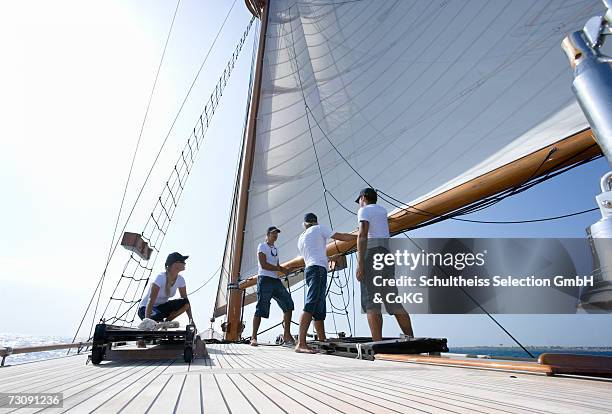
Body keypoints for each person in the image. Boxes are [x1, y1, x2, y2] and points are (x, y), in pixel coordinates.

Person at [355, 188, 414, 342]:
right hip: (386, 255)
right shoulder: (382, 211)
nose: (359, 204)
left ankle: (377, 345)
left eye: (359, 200)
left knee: (371, 303)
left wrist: (360, 264)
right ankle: (411, 340)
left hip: (371, 255)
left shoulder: (364, 211)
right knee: (393, 301)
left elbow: (362, 236)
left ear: (363, 198)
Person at [295, 213, 356, 353]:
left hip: (311, 269)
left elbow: (314, 254)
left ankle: (322, 339)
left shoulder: (301, 238)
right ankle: (301, 343)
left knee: (319, 305)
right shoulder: (319, 229)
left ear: (305, 224)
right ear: (315, 222)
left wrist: (329, 258)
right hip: (318, 271)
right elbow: (342, 237)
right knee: (311, 304)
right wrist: (360, 236)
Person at [137, 252, 195, 347]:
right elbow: (150, 301)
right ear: (175, 264)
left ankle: (163, 325)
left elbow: (186, 300)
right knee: (158, 317)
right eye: (182, 261)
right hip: (145, 309)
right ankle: (142, 336)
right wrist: (147, 320)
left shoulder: (181, 280)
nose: (185, 263)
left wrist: (191, 320)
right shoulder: (160, 278)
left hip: (160, 308)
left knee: (185, 303)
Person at [250, 226, 295, 346]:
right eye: (274, 233)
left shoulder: (276, 249)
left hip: (275, 280)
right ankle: (253, 337)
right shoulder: (262, 246)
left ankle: (286, 334)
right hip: (264, 279)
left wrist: (283, 270)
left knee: (288, 304)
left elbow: (277, 265)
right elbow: (264, 265)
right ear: (268, 234)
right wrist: (279, 269)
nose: (276, 235)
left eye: (277, 234)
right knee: (261, 308)